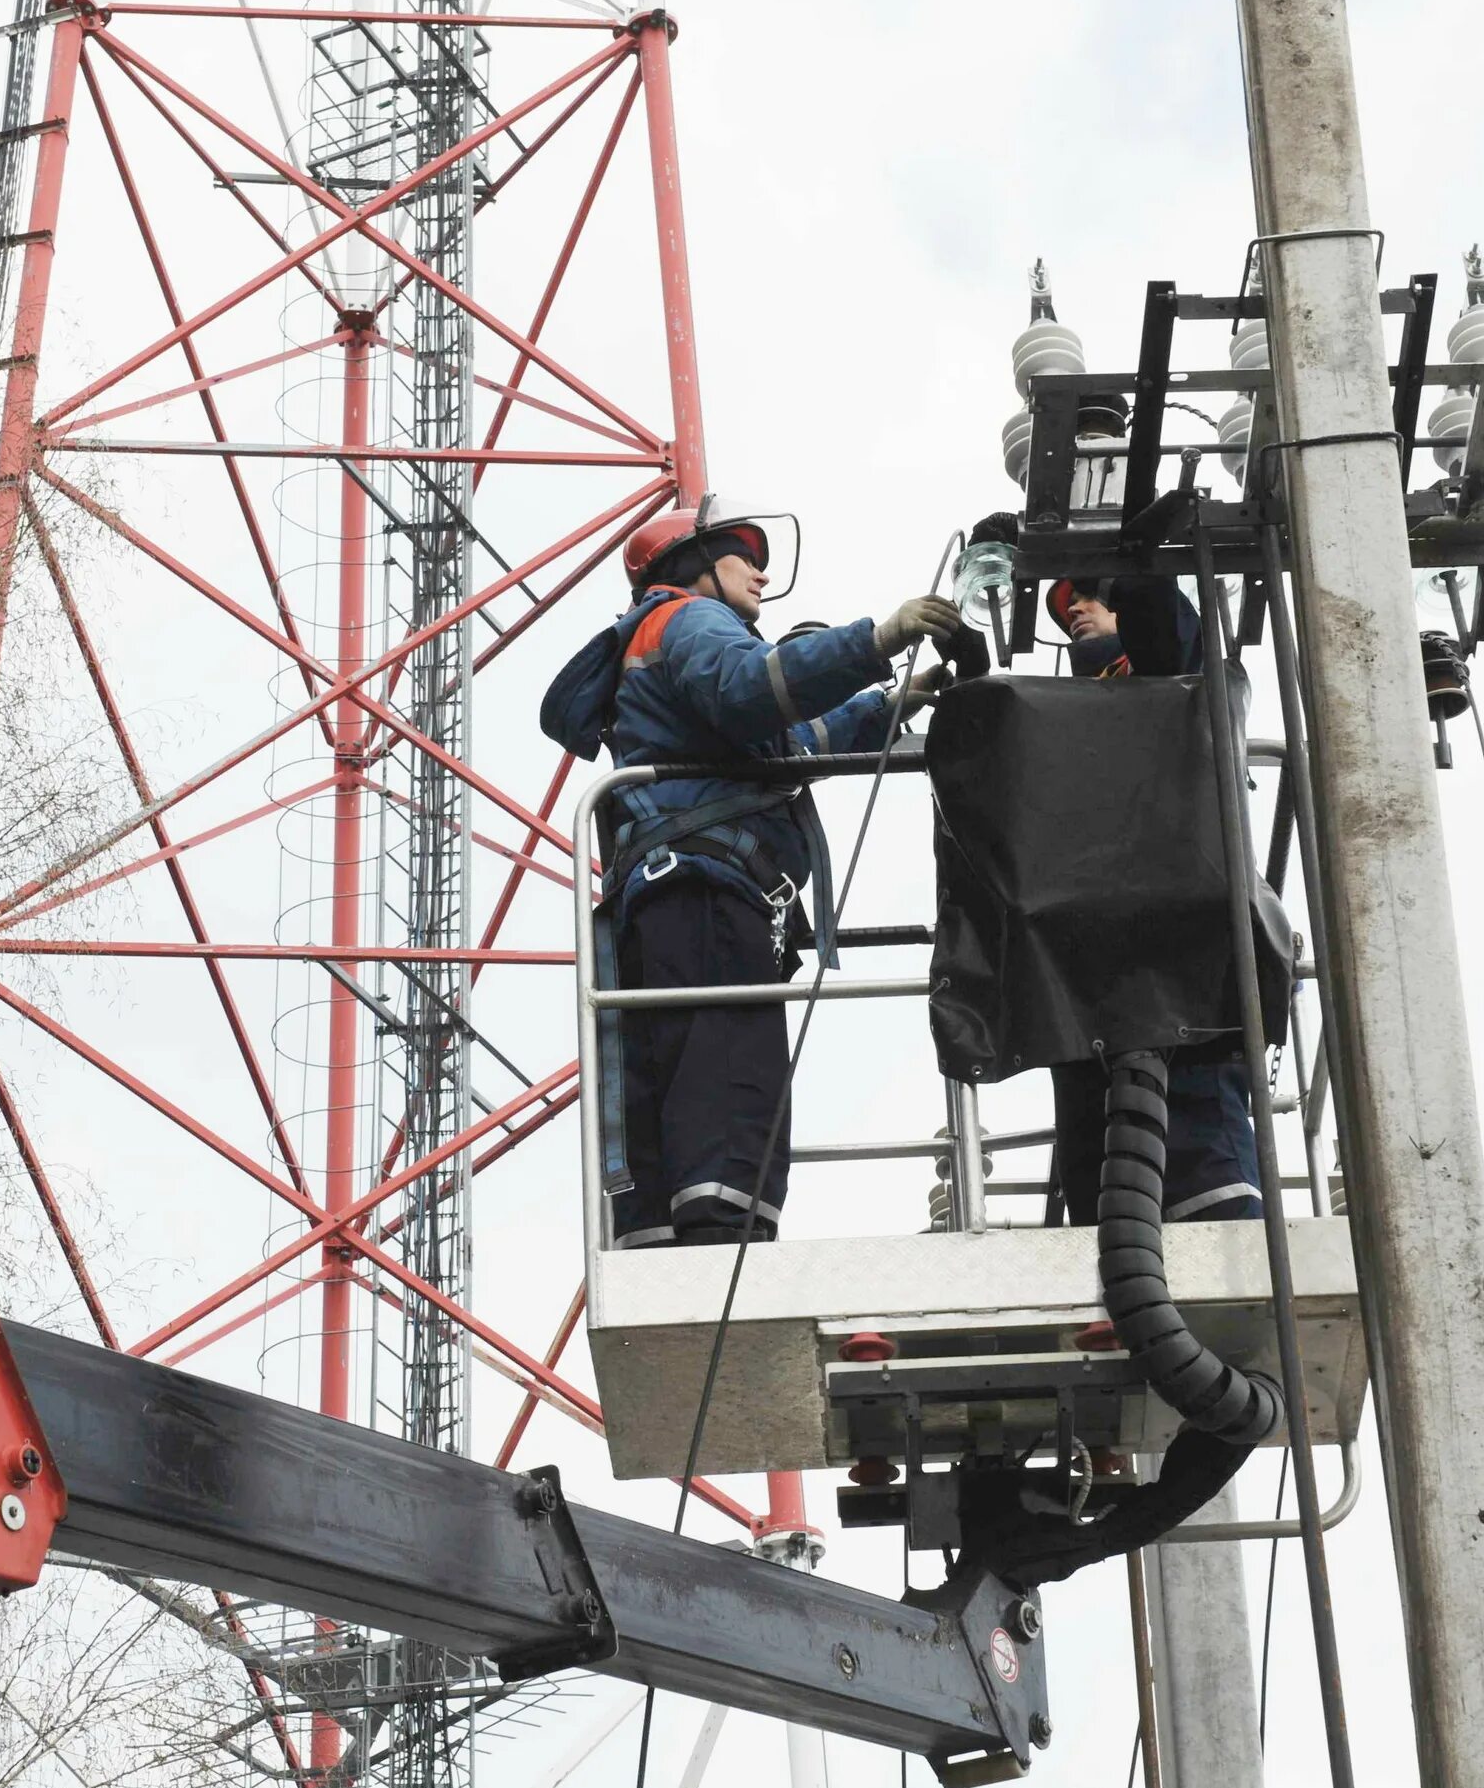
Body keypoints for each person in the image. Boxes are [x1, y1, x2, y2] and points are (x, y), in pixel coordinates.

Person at [542, 502, 962, 1247]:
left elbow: (791, 744)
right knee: (726, 1062)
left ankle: (658, 1234)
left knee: (671, 1074)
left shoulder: (661, 643)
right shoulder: (692, 621)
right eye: (740, 553)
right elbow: (753, 690)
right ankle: (719, 1228)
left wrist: (891, 705)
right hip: (707, 893)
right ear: (691, 567)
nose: (760, 570)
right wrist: (879, 639)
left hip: (664, 897)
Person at [1035, 562, 1265, 1228]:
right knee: (1095, 1126)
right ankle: (1108, 1251)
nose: (1075, 607)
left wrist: (1116, 542)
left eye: (1089, 594)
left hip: (1183, 936)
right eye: (1065, 602)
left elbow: (1155, 609)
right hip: (1090, 956)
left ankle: (1206, 1229)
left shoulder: (1172, 665)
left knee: (1193, 1117)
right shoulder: (1053, 717)